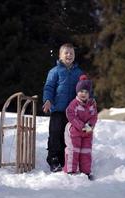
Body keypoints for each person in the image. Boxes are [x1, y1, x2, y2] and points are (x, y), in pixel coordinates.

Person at [43, 43, 83, 172]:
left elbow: (84, 89)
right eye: (66, 53)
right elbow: (49, 87)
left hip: (72, 112)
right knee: (55, 134)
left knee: (70, 135)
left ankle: (67, 159)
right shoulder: (54, 71)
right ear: (60, 55)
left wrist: (86, 103)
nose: (69, 55)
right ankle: (54, 159)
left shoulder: (79, 72)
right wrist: (48, 100)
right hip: (57, 110)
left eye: (71, 53)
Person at [63, 75, 97, 180]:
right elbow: (70, 115)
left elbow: (94, 116)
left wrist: (89, 126)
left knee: (86, 152)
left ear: (89, 94)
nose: (83, 94)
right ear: (77, 92)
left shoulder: (92, 105)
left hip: (87, 132)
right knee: (73, 150)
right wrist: (81, 126)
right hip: (74, 131)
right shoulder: (74, 104)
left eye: (86, 92)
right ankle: (70, 170)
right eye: (81, 91)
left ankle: (86, 172)